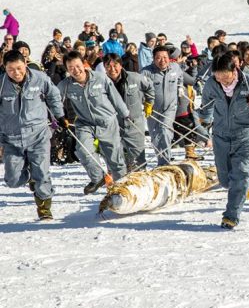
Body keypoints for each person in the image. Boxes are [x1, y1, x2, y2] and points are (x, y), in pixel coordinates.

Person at [197, 52, 249, 229]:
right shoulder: (212, 84)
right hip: (221, 136)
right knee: (226, 181)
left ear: (235, 70)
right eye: (219, 78)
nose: (223, 82)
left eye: (226, 78)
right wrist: (203, 118)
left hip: (247, 135)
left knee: (240, 174)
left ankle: (231, 216)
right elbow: (205, 105)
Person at [0, 50, 65, 220]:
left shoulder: (39, 78)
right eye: (11, 69)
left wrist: (60, 116)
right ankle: (28, 176)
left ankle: (44, 208)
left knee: (42, 173)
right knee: (12, 180)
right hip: (12, 139)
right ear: (5, 68)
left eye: (19, 68)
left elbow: (53, 95)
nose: (16, 73)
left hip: (38, 135)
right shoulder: (1, 85)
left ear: (25, 64)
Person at [58, 51, 130, 194]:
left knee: (115, 159)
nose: (75, 70)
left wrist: (125, 114)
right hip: (84, 123)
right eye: (71, 67)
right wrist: (59, 116)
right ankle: (97, 178)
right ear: (67, 69)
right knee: (83, 151)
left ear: (83, 64)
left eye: (77, 66)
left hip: (107, 122)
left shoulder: (100, 78)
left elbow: (114, 96)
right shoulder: (65, 85)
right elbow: (55, 99)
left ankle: (124, 188)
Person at [141, 45, 197, 166]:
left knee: (164, 131)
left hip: (170, 108)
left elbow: (180, 76)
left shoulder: (175, 67)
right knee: (155, 136)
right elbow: (140, 90)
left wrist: (179, 86)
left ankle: (165, 163)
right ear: (153, 59)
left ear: (169, 58)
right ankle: (161, 159)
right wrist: (145, 102)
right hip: (153, 110)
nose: (162, 61)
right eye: (158, 58)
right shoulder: (146, 72)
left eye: (165, 57)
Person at [103, 54, 154, 172]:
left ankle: (140, 184)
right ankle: (118, 185)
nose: (112, 69)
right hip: (113, 125)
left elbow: (149, 87)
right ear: (104, 67)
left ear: (120, 65)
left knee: (138, 160)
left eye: (115, 65)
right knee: (115, 158)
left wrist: (149, 103)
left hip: (134, 123)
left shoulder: (135, 78)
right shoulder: (102, 82)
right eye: (108, 66)